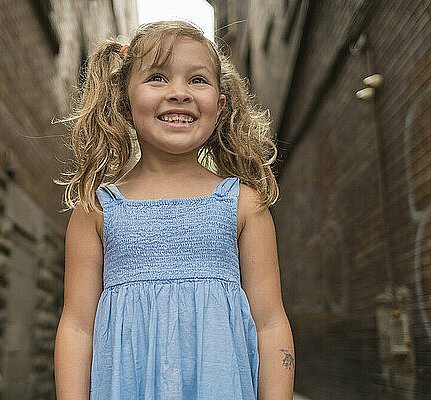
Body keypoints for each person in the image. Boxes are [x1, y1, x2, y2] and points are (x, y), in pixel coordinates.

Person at [54, 20, 295, 400]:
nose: (179, 93)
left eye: (197, 80)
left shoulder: (243, 205)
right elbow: (77, 327)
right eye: (158, 78)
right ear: (124, 100)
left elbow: (270, 323)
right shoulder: (98, 209)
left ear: (220, 105)